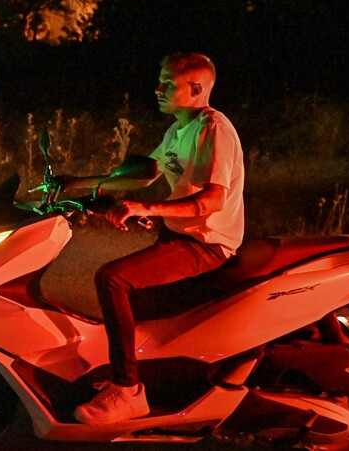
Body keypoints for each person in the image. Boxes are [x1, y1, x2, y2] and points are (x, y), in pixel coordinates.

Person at [57, 52, 245, 425]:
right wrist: (78, 185)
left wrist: (147, 209)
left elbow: (212, 199)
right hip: (178, 234)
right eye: (159, 79)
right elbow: (144, 175)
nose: (157, 88)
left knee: (112, 279)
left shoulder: (213, 128)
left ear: (195, 89)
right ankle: (136, 376)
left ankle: (128, 392)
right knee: (139, 307)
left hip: (206, 244)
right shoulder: (178, 128)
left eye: (168, 84)